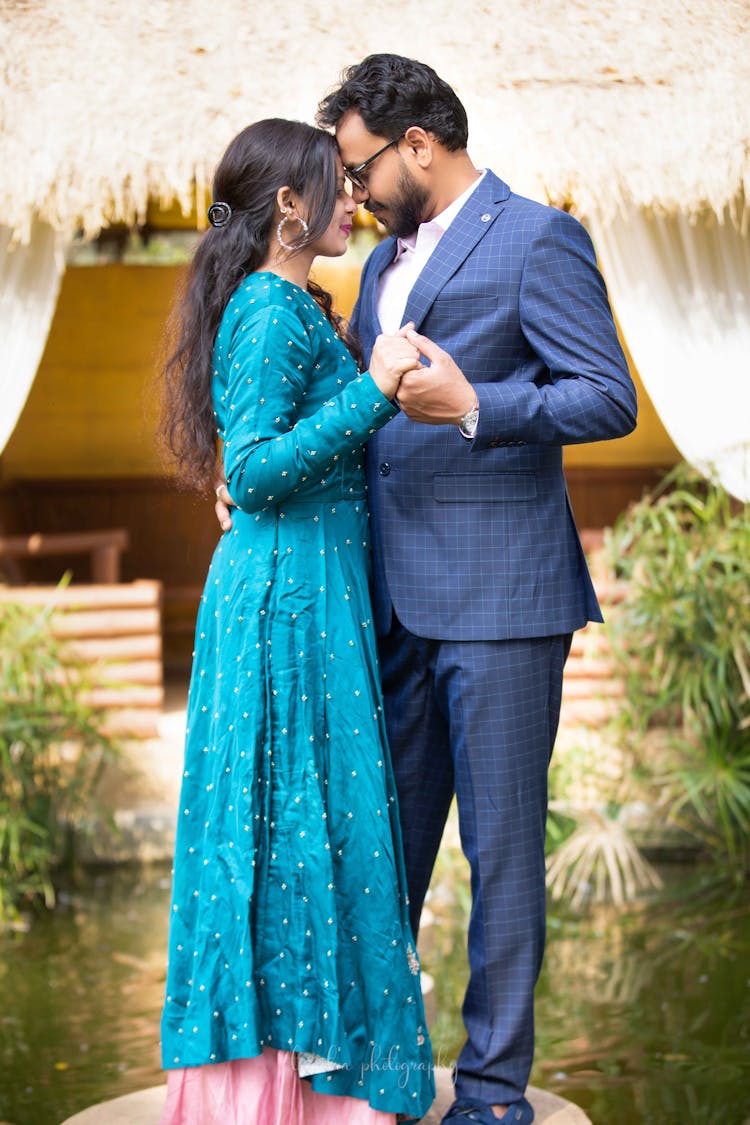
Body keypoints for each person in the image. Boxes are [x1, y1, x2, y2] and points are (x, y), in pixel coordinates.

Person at [215, 56, 639, 1124]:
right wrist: (251, 485)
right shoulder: (374, 272)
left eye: (357, 169)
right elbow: (349, 422)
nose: (346, 194)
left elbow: (605, 397)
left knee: (501, 858)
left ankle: (492, 1094)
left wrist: (474, 404)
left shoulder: (540, 238)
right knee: (375, 849)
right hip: (384, 606)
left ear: (418, 144)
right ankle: (373, 1079)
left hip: (503, 603)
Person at [159, 118, 435, 1125]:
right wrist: (373, 392)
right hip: (281, 609)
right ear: (289, 206)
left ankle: (316, 1083)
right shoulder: (270, 311)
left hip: (306, 599)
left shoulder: (289, 303)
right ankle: (283, 1094)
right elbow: (258, 469)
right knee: (284, 828)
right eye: (336, 184)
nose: (353, 197)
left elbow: (254, 460)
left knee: (311, 825)